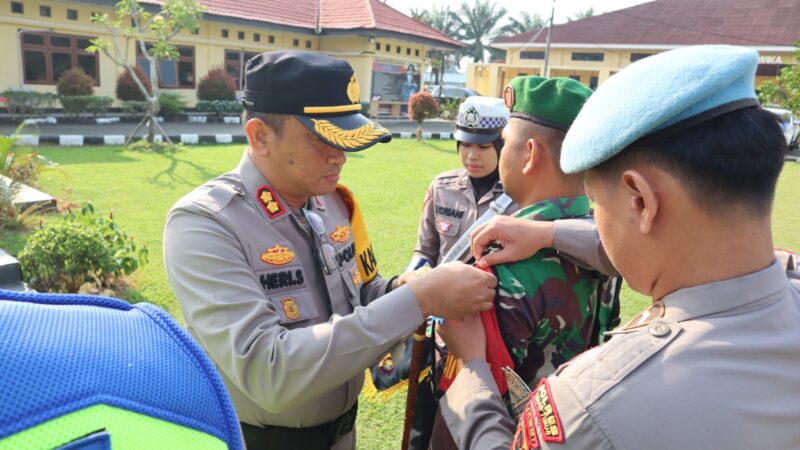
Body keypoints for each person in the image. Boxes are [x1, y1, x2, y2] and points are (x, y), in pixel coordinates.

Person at [438, 44, 800, 449]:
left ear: (640, 201)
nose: (593, 220)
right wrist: (548, 234)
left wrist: (471, 370)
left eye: (595, 203)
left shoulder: (593, 406)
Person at [162, 50, 498, 450]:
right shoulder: (206, 223)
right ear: (260, 136)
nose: (340, 155)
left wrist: (398, 288)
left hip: (343, 434)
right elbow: (270, 371)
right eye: (322, 139)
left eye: (344, 139)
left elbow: (360, 293)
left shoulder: (331, 203)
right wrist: (418, 299)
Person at [427, 76, 620, 449]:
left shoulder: (498, 267)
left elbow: (465, 404)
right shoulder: (610, 244)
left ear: (530, 154)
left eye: (503, 143)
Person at [408, 96, 516, 271]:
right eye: (465, 144)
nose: (472, 155)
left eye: (484, 147)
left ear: (502, 146)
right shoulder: (441, 188)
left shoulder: (520, 196)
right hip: (445, 294)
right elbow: (425, 252)